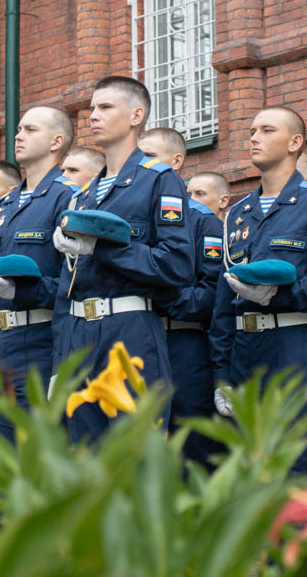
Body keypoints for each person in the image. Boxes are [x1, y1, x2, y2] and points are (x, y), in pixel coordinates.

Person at [211, 106, 307, 474]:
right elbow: (223, 301)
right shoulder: (239, 213)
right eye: (251, 131)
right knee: (252, 473)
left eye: (266, 130)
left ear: (295, 143)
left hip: (297, 349)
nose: (254, 137)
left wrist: (280, 297)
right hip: (245, 353)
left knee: (303, 468)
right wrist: (222, 374)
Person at [53, 76, 194, 441]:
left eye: (105, 107)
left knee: (135, 455)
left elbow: (175, 264)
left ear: (136, 115)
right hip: (78, 334)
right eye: (91, 108)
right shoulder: (84, 194)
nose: (92, 116)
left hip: (129, 330)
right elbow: (66, 286)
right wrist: (60, 361)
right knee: (85, 461)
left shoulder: (158, 179)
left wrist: (102, 249)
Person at [0, 108, 79, 439]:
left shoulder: (69, 196)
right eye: (18, 129)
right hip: (1, 348)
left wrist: (62, 364)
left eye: (30, 130)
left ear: (55, 141)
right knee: (7, 470)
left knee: (42, 462)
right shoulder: (2, 207)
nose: (18, 136)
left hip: (42, 343)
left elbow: (73, 286)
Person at [144, 129, 223, 462]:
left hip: (183, 344)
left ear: (176, 161)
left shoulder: (201, 221)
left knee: (191, 447)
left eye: (150, 156)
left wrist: (162, 300)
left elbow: (212, 293)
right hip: (139, 340)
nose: (142, 165)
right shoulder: (136, 213)